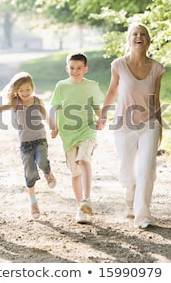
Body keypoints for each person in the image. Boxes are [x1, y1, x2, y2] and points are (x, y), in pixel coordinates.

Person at [100, 22, 165, 229]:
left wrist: (160, 124)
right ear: (129, 40)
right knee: (128, 173)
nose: (139, 37)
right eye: (135, 34)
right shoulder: (118, 65)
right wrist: (103, 112)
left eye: (143, 34)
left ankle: (143, 215)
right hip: (123, 125)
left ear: (148, 41)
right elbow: (112, 92)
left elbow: (156, 98)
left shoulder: (156, 68)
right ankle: (130, 197)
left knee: (147, 168)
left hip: (149, 125)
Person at [0, 72, 56, 219]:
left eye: (28, 89)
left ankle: (47, 172)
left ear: (32, 87)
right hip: (25, 144)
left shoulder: (37, 101)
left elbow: (46, 116)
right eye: (21, 90)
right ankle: (33, 204)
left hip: (40, 139)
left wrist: (53, 127)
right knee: (30, 173)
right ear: (16, 91)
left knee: (41, 162)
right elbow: (0, 109)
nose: (25, 93)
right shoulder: (16, 102)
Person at [51, 52, 104, 224]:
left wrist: (102, 119)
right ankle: (80, 207)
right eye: (72, 68)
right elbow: (56, 109)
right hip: (68, 134)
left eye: (79, 68)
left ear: (85, 69)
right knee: (75, 174)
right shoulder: (61, 86)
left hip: (87, 129)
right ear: (67, 68)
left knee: (84, 160)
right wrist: (55, 127)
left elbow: (97, 107)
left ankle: (87, 199)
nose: (75, 71)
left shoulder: (92, 86)